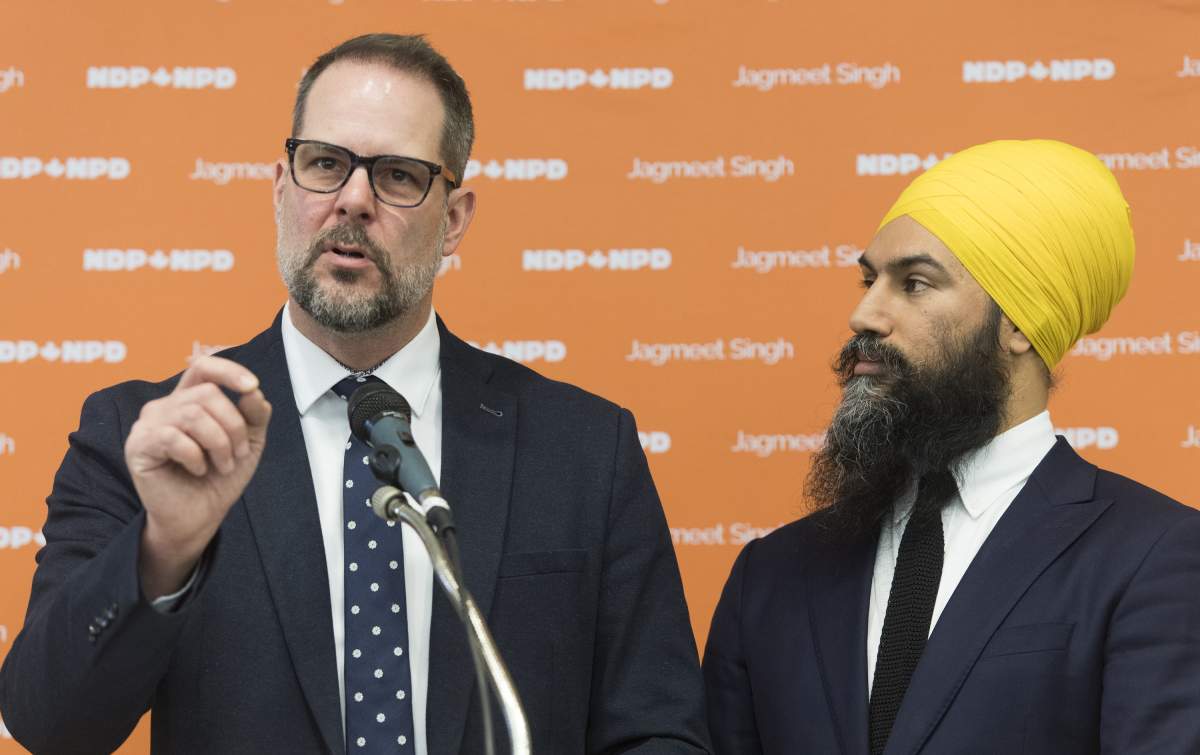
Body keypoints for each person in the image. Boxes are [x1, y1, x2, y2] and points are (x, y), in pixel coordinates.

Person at [0, 34, 709, 754]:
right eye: (326, 164)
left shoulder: (583, 448)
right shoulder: (152, 438)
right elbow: (49, 723)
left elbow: (659, 730)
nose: (354, 200)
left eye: (398, 175)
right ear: (282, 188)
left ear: (455, 219)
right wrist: (163, 549)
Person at [702, 139, 1200, 754]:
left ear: (1019, 322)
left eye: (913, 284)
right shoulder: (772, 575)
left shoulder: (1156, 556)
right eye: (868, 279)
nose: (864, 314)